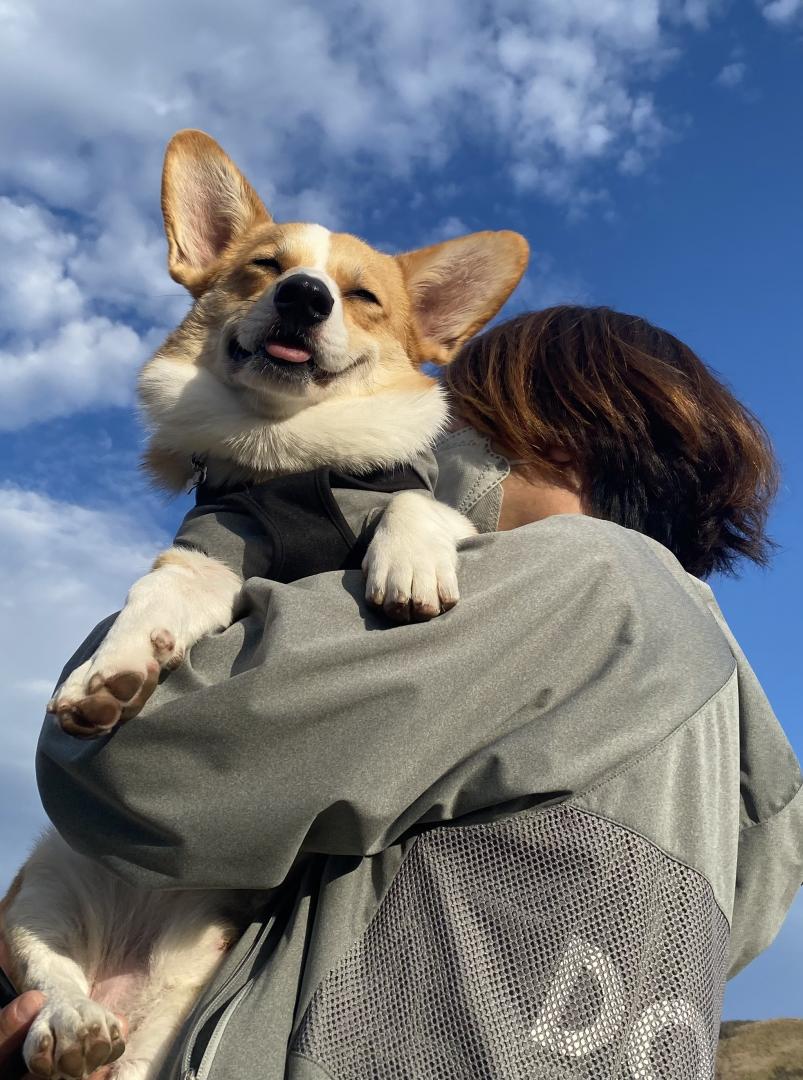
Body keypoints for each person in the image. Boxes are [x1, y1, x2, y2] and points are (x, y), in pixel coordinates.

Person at [3, 306, 801, 1080]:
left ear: (556, 447)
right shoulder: (755, 768)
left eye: (461, 427)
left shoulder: (581, 577)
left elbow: (126, 765)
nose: (430, 456)